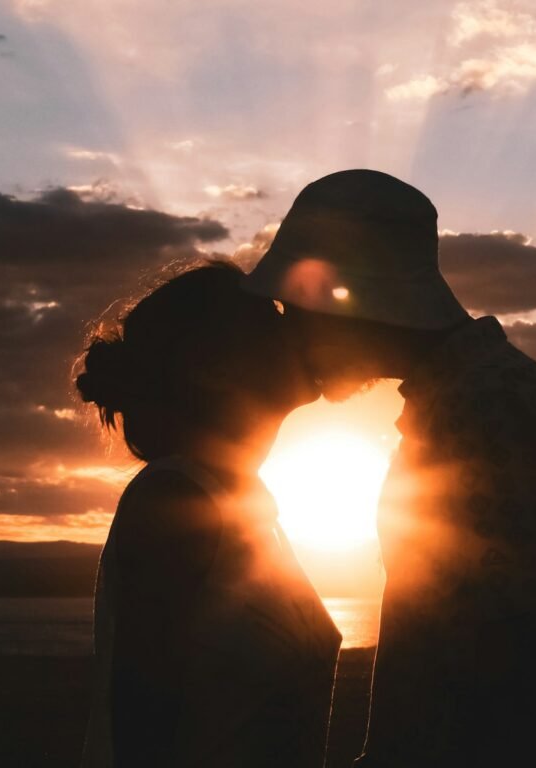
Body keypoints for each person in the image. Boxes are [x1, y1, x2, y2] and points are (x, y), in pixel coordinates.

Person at [243, 170, 536, 766]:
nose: (290, 331)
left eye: (295, 304)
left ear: (348, 299)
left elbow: (495, 671)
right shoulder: (479, 398)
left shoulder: (483, 411)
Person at [76, 262, 342, 767]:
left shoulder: (250, 512)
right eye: (271, 316)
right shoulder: (176, 503)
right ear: (213, 367)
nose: (294, 323)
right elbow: (143, 729)